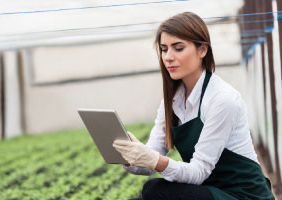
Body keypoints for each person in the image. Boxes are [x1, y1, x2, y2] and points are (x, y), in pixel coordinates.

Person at [112, 12, 274, 200]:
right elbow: (148, 162)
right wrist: (130, 155)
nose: (168, 57)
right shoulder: (172, 100)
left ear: (202, 50)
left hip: (243, 196)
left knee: (155, 190)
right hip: (210, 191)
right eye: (164, 49)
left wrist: (156, 161)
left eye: (178, 48)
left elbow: (198, 172)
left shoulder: (222, 99)